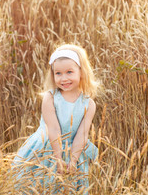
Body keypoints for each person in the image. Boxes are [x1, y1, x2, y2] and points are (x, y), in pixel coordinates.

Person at [11, 44, 99, 194]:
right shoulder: (50, 98)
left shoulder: (88, 104)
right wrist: (58, 159)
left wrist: (72, 161)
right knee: (43, 186)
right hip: (48, 148)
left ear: (81, 72)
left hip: (74, 151)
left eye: (69, 72)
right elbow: (53, 129)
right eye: (58, 73)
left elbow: (82, 135)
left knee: (70, 188)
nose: (63, 78)